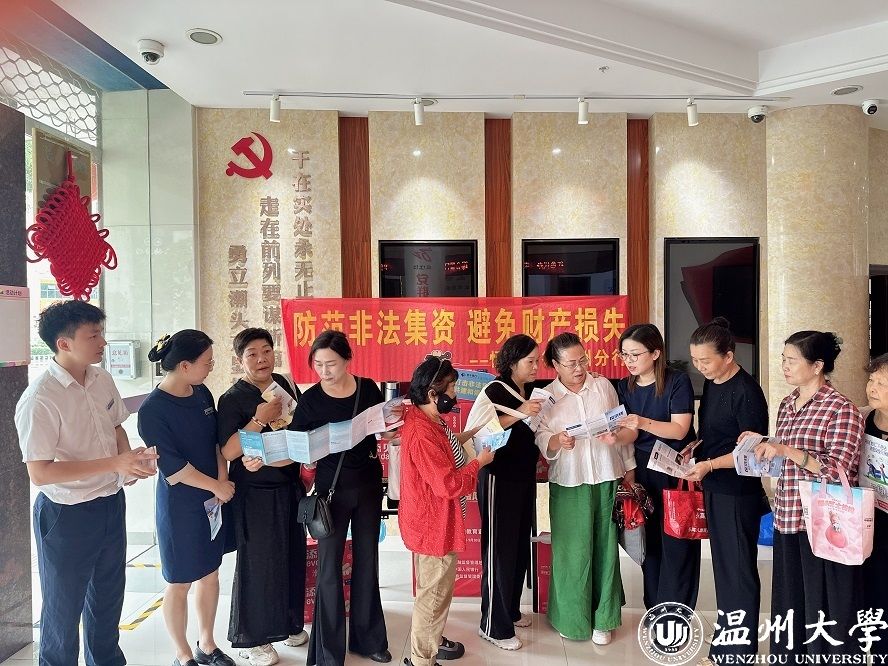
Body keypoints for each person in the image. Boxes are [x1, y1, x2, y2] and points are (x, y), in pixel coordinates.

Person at [15, 300, 158, 666]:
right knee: (63, 609)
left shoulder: (101, 379)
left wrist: (128, 463)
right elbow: (40, 472)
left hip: (110, 503)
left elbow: (116, 427)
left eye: (101, 333)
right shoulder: (40, 398)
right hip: (67, 514)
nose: (103, 343)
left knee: (108, 600)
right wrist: (114, 463)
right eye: (93, 336)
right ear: (64, 343)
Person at [751, 331, 864, 657]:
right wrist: (763, 445)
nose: (784, 366)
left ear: (817, 366)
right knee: (790, 602)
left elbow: (838, 471)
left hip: (824, 524)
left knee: (822, 604)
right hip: (787, 516)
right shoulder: (787, 404)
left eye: (792, 360)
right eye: (783, 359)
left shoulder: (840, 409)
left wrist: (788, 450)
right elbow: (783, 459)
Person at [138, 330, 236, 666]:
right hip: (180, 506)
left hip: (212, 501)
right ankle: (182, 653)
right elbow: (174, 467)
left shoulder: (201, 392)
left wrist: (222, 480)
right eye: (207, 362)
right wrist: (215, 487)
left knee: (210, 572)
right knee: (179, 580)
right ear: (184, 365)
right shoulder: (153, 410)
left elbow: (216, 443)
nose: (211, 367)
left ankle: (206, 644)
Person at [293, 330, 390, 666]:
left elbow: (383, 428)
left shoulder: (368, 388)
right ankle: (328, 652)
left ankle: (368, 640)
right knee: (329, 569)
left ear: (348, 360)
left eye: (331, 364)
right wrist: (307, 456)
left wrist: (392, 427)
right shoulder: (310, 400)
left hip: (367, 485)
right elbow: (298, 444)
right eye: (318, 364)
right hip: (330, 492)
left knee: (367, 560)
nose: (324, 371)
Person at [535, 332, 636, 645]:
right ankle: (571, 618)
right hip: (569, 480)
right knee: (572, 552)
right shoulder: (545, 397)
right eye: (571, 364)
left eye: (583, 360)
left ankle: (603, 619)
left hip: (606, 476)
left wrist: (629, 469)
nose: (579, 368)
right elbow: (540, 436)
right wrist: (557, 440)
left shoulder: (603, 386)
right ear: (555, 365)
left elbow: (620, 428)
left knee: (606, 549)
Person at [217, 328, 308, 666]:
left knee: (290, 556)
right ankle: (253, 639)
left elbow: (299, 425)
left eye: (266, 351)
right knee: (259, 564)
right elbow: (228, 450)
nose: (261, 359)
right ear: (240, 360)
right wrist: (259, 419)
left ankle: (288, 624)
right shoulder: (232, 398)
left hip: (288, 486)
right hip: (254, 494)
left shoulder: (283, 384)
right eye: (252, 354)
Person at [682, 318, 769, 662]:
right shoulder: (714, 382)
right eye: (695, 360)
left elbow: (751, 453)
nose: (699, 367)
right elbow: (715, 433)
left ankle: (738, 652)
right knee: (725, 570)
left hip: (737, 493)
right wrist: (695, 449)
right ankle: (726, 644)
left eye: (706, 360)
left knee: (738, 573)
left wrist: (710, 464)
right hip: (715, 488)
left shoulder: (746, 392)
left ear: (729, 356)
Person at [399, 354, 495, 666]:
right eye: (451, 388)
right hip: (433, 526)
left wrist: (474, 433)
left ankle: (432, 640)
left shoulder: (426, 417)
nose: (454, 393)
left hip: (432, 520)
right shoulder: (422, 432)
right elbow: (448, 485)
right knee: (433, 596)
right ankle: (422, 660)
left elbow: (449, 446)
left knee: (434, 591)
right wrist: (479, 462)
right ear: (432, 393)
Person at [465, 333, 542, 651]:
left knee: (519, 546)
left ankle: (510, 609)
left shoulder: (531, 391)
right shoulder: (495, 390)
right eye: (530, 361)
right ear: (512, 362)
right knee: (499, 550)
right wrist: (521, 412)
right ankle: (493, 625)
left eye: (538, 360)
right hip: (498, 477)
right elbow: (479, 435)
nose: (536, 366)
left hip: (523, 478)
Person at [615, 323, 699, 609]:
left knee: (677, 541)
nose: (629, 361)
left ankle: (677, 610)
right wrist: (613, 438)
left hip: (675, 469)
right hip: (643, 468)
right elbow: (631, 433)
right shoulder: (624, 386)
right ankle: (654, 607)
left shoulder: (677, 381)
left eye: (635, 354)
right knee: (648, 541)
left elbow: (679, 429)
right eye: (624, 355)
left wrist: (642, 422)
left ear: (655, 353)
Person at [861, 353, 888, 656]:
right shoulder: (862, 418)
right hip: (869, 518)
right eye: (871, 380)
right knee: (874, 587)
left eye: (882, 383)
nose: (872, 387)